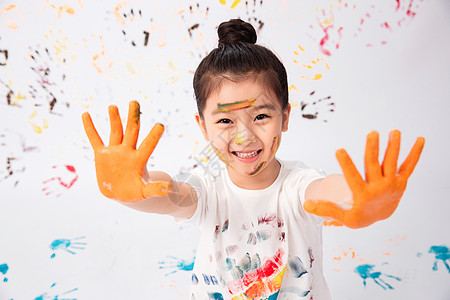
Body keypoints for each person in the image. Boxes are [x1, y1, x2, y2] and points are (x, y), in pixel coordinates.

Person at [82, 19, 425, 300]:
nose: (244, 137)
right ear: (202, 126)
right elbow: (169, 195)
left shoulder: (296, 187)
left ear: (285, 117)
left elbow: (326, 192)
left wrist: (359, 197)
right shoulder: (208, 190)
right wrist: (133, 188)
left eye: (261, 116)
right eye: (225, 121)